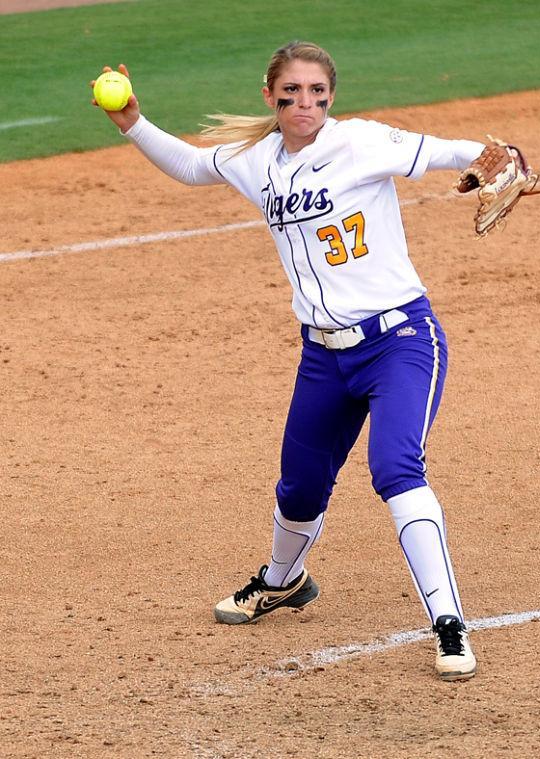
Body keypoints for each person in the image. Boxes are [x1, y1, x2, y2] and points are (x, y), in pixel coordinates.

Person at [92, 41, 485, 681]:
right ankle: (283, 579)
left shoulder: (360, 142)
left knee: (395, 468)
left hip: (400, 342)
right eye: (292, 93)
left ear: (332, 97)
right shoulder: (258, 161)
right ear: (270, 96)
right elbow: (193, 167)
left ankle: (447, 623)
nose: (305, 104)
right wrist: (130, 118)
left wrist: (498, 157)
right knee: (299, 486)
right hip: (323, 357)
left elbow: (448, 151)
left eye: (317, 94)